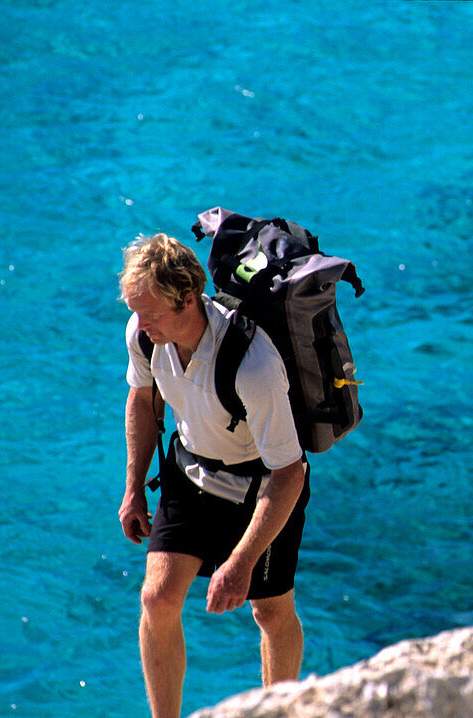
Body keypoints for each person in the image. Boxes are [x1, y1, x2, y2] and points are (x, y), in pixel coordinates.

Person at [118, 233, 310, 718]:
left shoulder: (253, 363)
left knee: (269, 611)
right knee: (158, 599)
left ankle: (277, 711)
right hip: (190, 471)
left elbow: (289, 473)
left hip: (262, 486)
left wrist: (241, 562)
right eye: (135, 310)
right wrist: (134, 487)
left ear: (187, 299)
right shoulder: (144, 334)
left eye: (151, 312)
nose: (140, 323)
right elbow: (143, 400)